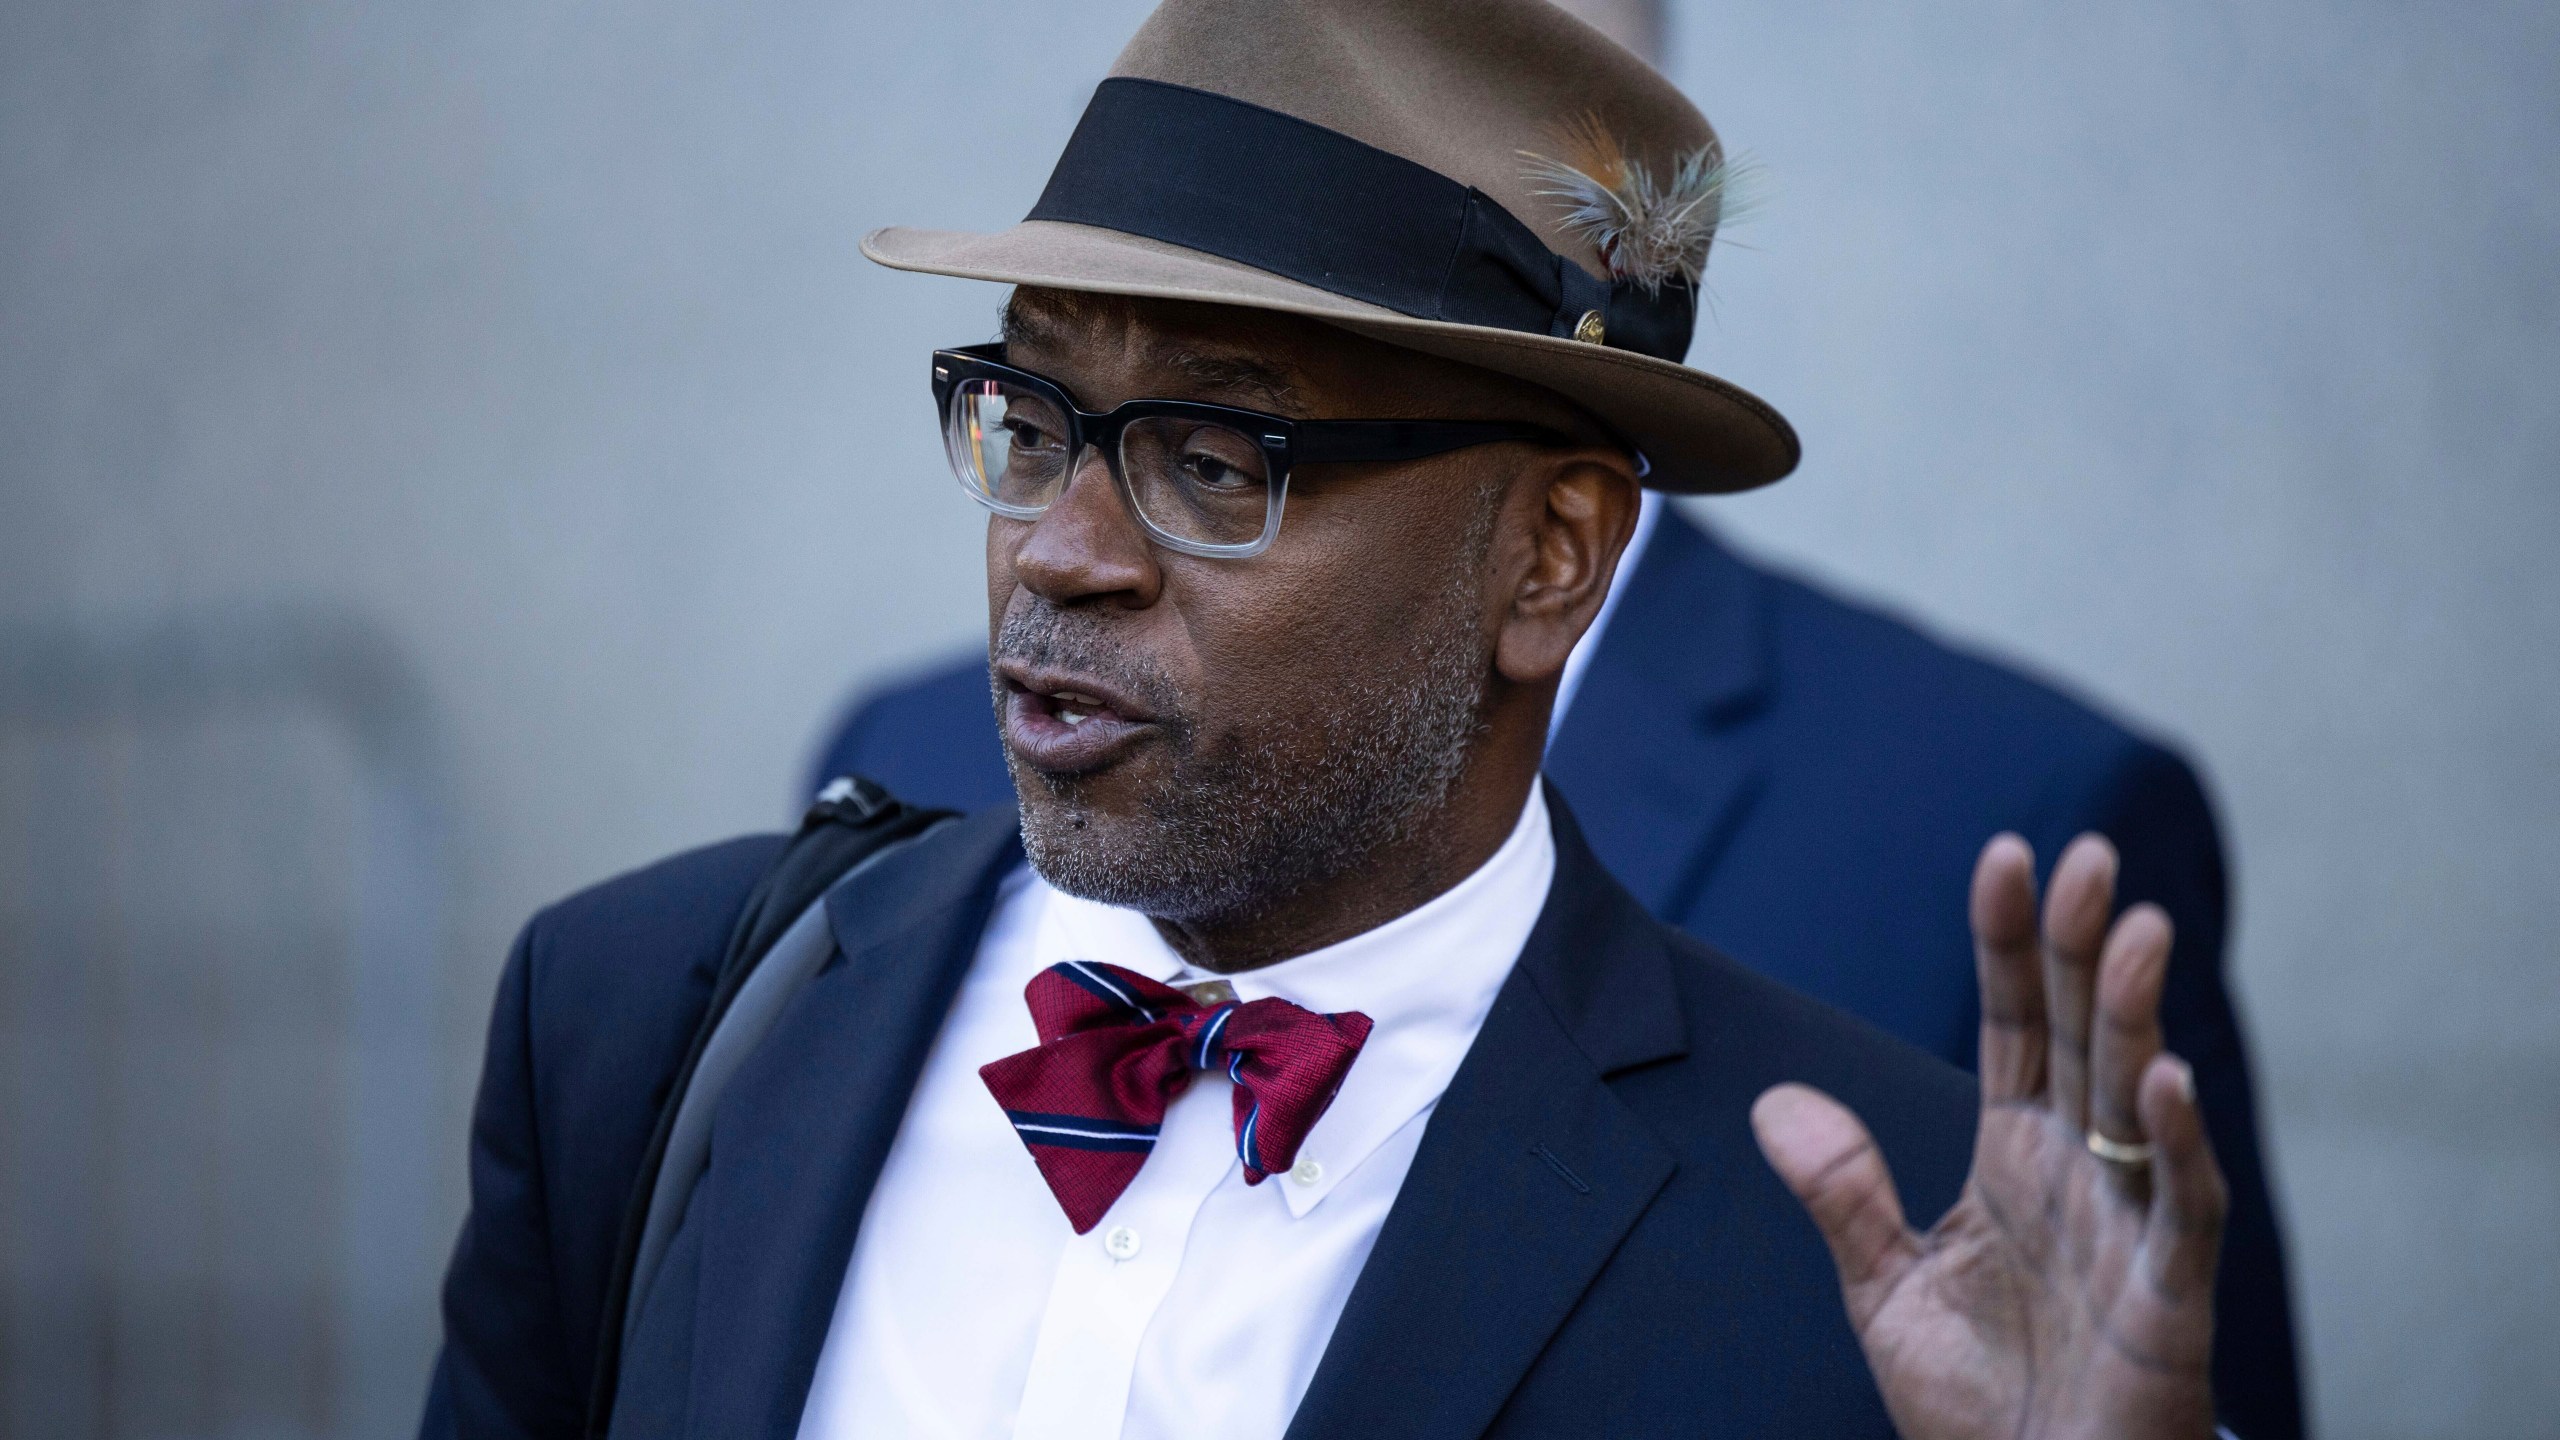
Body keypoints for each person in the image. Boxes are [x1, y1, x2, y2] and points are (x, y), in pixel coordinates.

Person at [426, 2, 2246, 1435]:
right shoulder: (642, 1025)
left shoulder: (1881, 1246)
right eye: (1027, 418)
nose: (1057, 555)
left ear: (1550, 558)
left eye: (1214, 460)